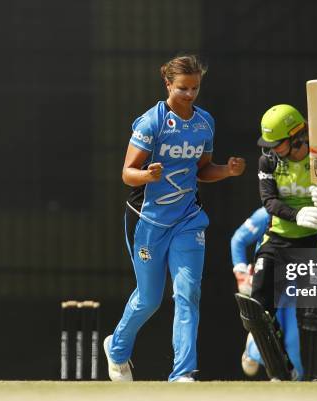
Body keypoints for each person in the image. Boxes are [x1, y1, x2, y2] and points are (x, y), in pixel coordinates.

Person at [104, 55, 246, 382]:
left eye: (195, 88)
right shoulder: (151, 123)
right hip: (147, 221)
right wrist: (146, 175)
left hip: (188, 219)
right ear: (168, 84)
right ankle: (118, 348)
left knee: (188, 293)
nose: (190, 94)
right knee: (149, 299)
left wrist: (226, 170)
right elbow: (127, 173)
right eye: (183, 88)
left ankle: (182, 374)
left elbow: (202, 170)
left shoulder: (204, 123)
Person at [234, 103, 317, 381]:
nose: (271, 149)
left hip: (310, 243)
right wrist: (298, 214)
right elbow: (269, 202)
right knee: (259, 307)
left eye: (277, 143)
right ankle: (279, 369)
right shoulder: (269, 162)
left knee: (313, 311)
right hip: (276, 241)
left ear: (297, 136)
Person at [231, 207, 317, 380]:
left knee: (293, 347)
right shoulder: (265, 215)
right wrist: (241, 272)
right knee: (268, 333)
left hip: (295, 290)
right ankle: (253, 350)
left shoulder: (312, 216)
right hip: (269, 285)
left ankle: (289, 388)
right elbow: (238, 240)